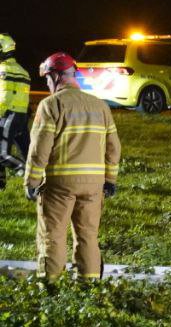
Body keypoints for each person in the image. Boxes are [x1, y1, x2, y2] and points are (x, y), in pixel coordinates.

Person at [24, 52, 120, 280]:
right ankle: (89, 285)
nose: (47, 84)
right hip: (94, 186)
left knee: (53, 236)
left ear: (56, 76)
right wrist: (110, 180)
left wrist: (32, 182)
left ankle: (50, 285)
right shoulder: (100, 106)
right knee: (88, 235)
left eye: (47, 79)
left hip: (60, 184)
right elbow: (113, 147)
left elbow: (40, 148)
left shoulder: (51, 105)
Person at [0, 33, 32, 186]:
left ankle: (24, 172)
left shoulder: (3, 69)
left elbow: (3, 97)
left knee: (2, 154)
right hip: (22, 117)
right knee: (29, 154)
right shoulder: (23, 71)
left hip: (8, 115)